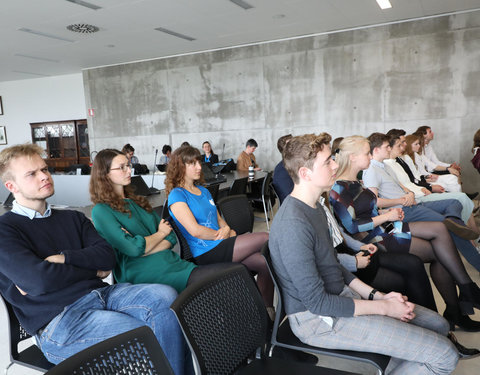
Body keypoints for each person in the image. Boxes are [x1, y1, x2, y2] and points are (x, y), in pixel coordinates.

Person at [270, 133, 460, 374]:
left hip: (340, 297)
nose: (336, 165)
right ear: (306, 174)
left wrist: (377, 296)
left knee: (439, 325)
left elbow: (334, 266)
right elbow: (318, 303)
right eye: (328, 161)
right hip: (319, 321)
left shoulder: (315, 207)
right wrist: (384, 308)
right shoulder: (293, 225)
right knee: (445, 355)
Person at [0, 144, 191, 374]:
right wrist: (91, 270)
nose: (44, 176)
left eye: (45, 169)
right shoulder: (6, 230)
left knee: (165, 297)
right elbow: (39, 281)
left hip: (103, 295)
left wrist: (63, 258)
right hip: (61, 322)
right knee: (145, 335)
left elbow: (107, 259)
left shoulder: (72, 218)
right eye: (32, 174)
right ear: (11, 186)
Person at [330, 135, 480, 331]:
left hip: (387, 228)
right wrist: (386, 216)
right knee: (439, 246)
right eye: (367, 153)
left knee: (440, 230)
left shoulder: (355, 182)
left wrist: (385, 214)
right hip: (376, 238)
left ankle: (461, 299)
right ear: (352, 157)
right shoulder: (339, 187)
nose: (370, 156)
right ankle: (462, 299)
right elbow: (352, 227)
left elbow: (366, 211)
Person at [90, 149, 231, 294]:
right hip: (143, 272)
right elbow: (133, 249)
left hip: (172, 263)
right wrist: (159, 234)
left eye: (128, 165)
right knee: (225, 280)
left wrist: (144, 247)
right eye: (122, 167)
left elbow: (170, 238)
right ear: (105, 173)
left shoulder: (138, 202)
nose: (128, 170)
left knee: (231, 278)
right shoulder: (101, 211)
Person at [165, 146, 273, 310]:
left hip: (221, 243)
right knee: (265, 237)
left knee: (264, 263)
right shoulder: (177, 195)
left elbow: (220, 219)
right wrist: (222, 234)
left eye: (199, 162)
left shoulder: (203, 191)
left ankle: (266, 311)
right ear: (180, 166)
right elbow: (195, 230)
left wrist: (227, 230)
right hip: (206, 252)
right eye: (192, 163)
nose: (199, 167)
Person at [362, 133, 480, 274]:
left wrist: (410, 194)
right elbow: (374, 201)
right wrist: (401, 200)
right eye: (387, 147)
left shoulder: (384, 166)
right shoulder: (371, 170)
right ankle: (473, 256)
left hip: (412, 203)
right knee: (452, 229)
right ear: (376, 150)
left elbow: (402, 186)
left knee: (455, 202)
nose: (390, 149)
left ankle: (453, 219)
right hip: (403, 211)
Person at [272, 134, 293, 204]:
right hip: (292, 209)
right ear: (284, 151)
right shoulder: (281, 170)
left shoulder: (294, 165)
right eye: (291, 145)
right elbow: (291, 197)